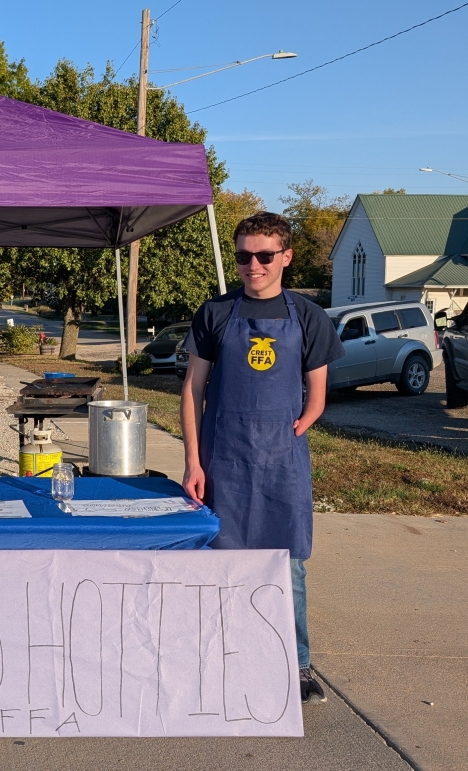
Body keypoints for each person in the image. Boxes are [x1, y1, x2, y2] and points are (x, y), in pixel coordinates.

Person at [180, 211, 344, 705]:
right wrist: (193, 461)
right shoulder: (214, 312)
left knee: (286, 564)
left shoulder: (309, 316)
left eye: (265, 255)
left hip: (280, 462)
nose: (253, 265)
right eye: (244, 255)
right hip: (222, 459)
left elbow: (317, 392)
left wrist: (303, 421)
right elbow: (192, 391)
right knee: (219, 562)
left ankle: (297, 665)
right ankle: (219, 658)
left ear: (286, 258)